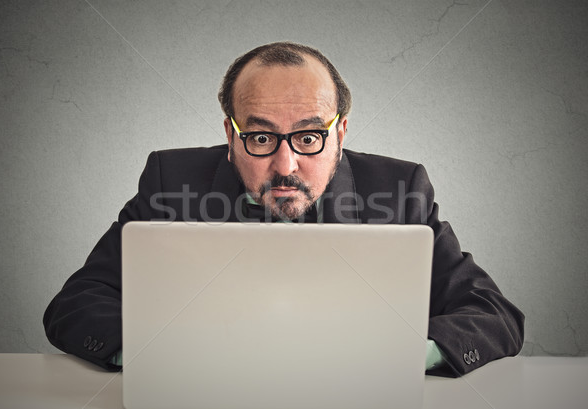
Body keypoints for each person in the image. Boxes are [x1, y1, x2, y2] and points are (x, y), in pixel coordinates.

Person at [43, 42, 524, 377]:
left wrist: (403, 357)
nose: (285, 163)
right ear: (230, 135)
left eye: (310, 137)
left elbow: (494, 314)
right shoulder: (172, 182)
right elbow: (77, 304)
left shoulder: (400, 189)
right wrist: (156, 352)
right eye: (260, 137)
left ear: (341, 133)